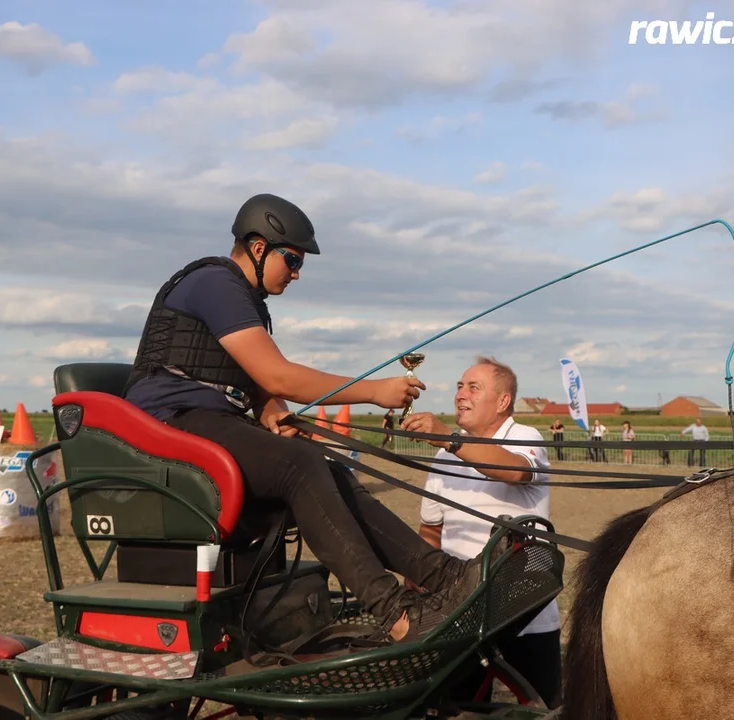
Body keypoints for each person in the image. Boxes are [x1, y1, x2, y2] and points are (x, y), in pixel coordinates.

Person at [122, 193, 507, 643]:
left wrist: (278, 416)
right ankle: (397, 614)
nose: (297, 272)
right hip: (165, 425)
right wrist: (375, 391)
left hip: (205, 424)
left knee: (325, 466)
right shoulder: (214, 283)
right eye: (293, 259)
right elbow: (277, 375)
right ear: (258, 246)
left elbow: (264, 391)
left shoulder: (246, 302)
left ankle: (447, 578)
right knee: (299, 466)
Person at [402, 357, 562, 709]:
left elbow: (516, 471)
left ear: (503, 402)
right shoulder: (444, 458)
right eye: (460, 386)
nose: (461, 394)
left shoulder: (524, 437)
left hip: (525, 614)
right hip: (460, 615)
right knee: (458, 708)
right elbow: (430, 530)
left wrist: (447, 436)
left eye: (473, 387)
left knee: (543, 709)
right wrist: (417, 590)